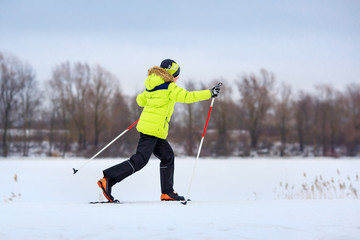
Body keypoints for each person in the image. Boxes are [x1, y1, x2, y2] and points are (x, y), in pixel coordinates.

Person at [97, 59, 221, 202]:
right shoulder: (169, 87)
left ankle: (167, 193)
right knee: (140, 160)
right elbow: (188, 97)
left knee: (167, 156)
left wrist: (153, 100)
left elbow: (139, 101)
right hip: (152, 129)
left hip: (153, 129)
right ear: (172, 75)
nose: (177, 78)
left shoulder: (152, 85)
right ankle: (108, 179)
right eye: (176, 75)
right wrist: (210, 93)